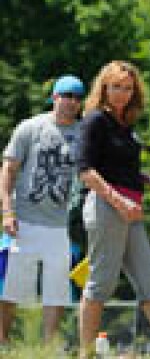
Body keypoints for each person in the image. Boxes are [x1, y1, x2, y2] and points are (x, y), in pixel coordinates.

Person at [76, 60, 150, 357]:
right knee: (100, 284)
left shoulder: (125, 126)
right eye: (116, 87)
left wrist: (149, 181)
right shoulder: (95, 121)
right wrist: (119, 200)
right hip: (107, 208)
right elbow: (86, 171)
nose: (122, 94)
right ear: (104, 87)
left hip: (132, 212)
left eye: (128, 88)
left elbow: (118, 169)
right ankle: (86, 353)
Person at [0, 75, 85, 345]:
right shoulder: (30, 127)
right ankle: (2, 341)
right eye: (67, 95)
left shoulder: (83, 133)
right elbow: (9, 170)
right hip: (24, 220)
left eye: (77, 97)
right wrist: (7, 211)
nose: (72, 102)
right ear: (55, 97)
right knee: (11, 288)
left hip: (59, 224)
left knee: (57, 291)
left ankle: (48, 347)